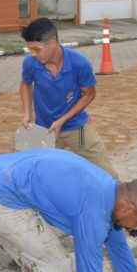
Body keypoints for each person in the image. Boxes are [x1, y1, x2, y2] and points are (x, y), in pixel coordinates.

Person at [0, 148, 137, 272]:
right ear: (128, 208)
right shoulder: (94, 216)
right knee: (54, 266)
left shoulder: (110, 193)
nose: (135, 229)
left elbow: (120, 251)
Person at [19, 18, 118, 178]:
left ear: (52, 43)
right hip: (46, 131)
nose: (33, 54)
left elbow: (89, 94)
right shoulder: (31, 64)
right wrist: (27, 113)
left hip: (76, 128)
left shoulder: (79, 63)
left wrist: (62, 120)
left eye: (37, 49)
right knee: (41, 175)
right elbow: (25, 84)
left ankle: (119, 198)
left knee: (106, 174)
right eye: (31, 50)